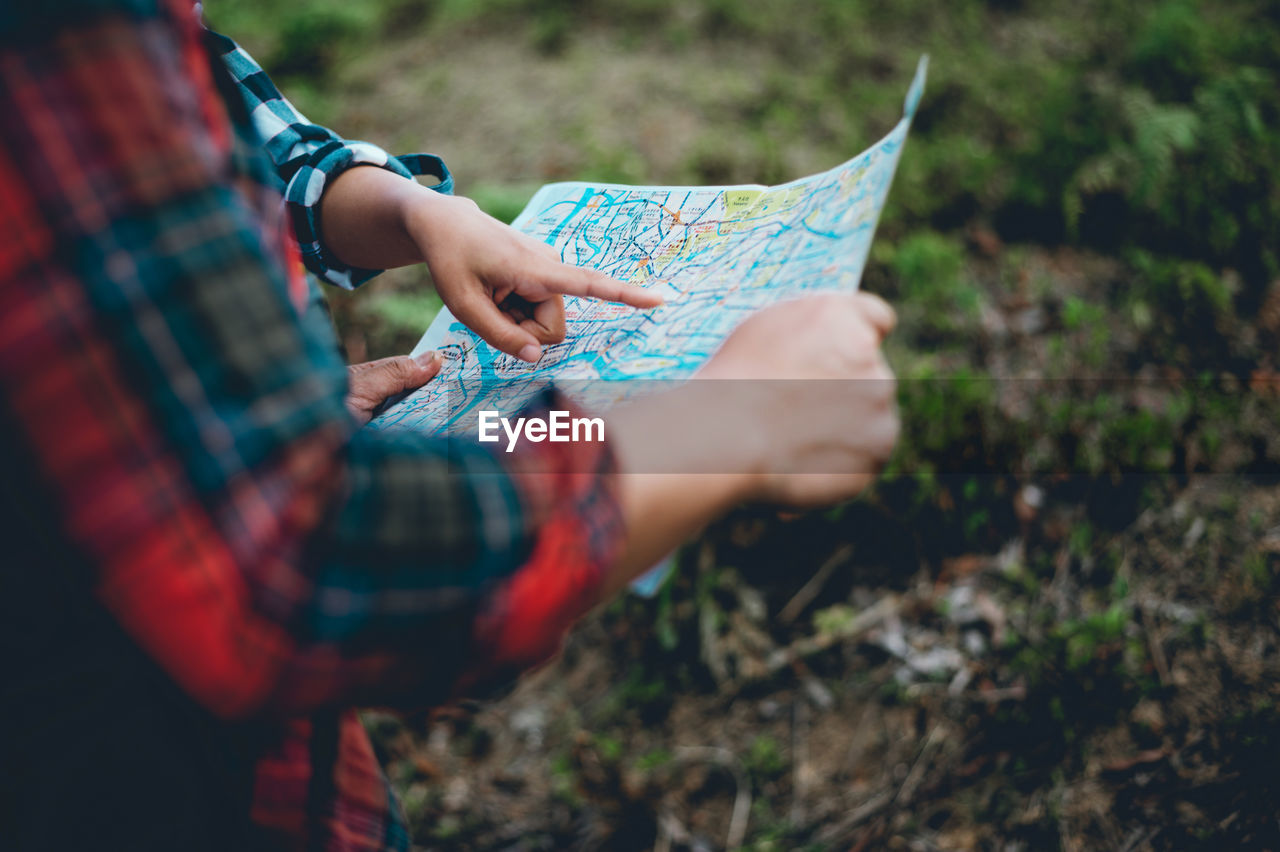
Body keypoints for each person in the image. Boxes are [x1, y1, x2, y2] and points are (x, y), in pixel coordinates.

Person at [0, 1, 899, 849]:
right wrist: (728, 422)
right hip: (148, 784)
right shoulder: (57, 32)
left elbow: (212, 143)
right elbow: (301, 559)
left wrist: (412, 211)